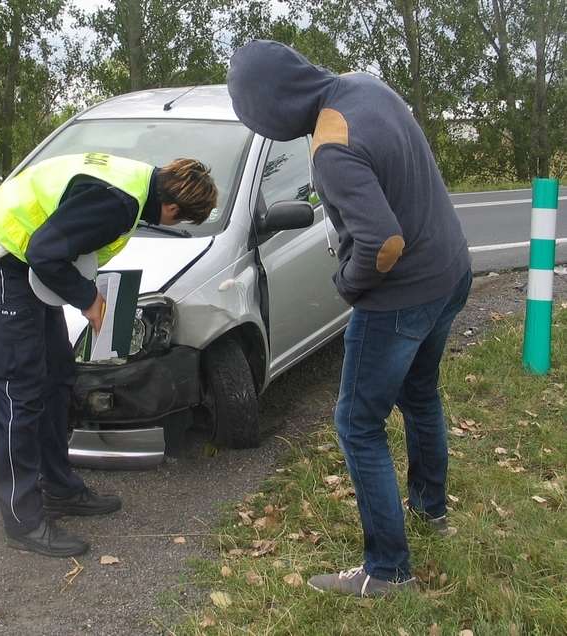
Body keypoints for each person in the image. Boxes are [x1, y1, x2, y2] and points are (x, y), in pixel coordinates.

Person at [227, 41, 472, 597]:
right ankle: (431, 510)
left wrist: (349, 285)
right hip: (450, 271)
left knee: (358, 424)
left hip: (401, 296)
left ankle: (386, 571)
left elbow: (383, 242)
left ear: (271, 105)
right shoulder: (365, 85)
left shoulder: (331, 146)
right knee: (420, 394)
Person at [0, 152, 217, 557]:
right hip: (2, 259)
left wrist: (95, 290)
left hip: (28, 262)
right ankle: (23, 521)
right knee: (21, 388)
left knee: (56, 376)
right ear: (171, 207)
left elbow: (68, 243)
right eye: (179, 219)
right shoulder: (119, 202)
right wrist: (90, 301)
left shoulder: (136, 183)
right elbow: (47, 252)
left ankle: (59, 488)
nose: (173, 224)